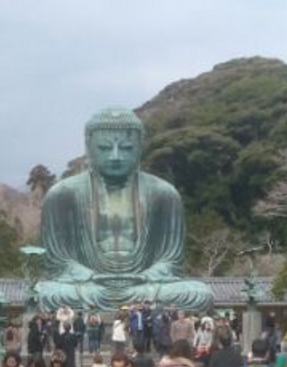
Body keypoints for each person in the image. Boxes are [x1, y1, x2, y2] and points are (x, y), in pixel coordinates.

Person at [37, 107, 214, 310]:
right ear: (88, 147)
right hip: (89, 286)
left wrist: (145, 276)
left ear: (140, 148)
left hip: (144, 285)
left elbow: (171, 260)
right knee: (43, 293)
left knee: (199, 294)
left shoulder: (164, 193)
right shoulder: (63, 194)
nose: (115, 156)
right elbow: (58, 261)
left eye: (126, 148)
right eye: (104, 148)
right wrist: (92, 276)